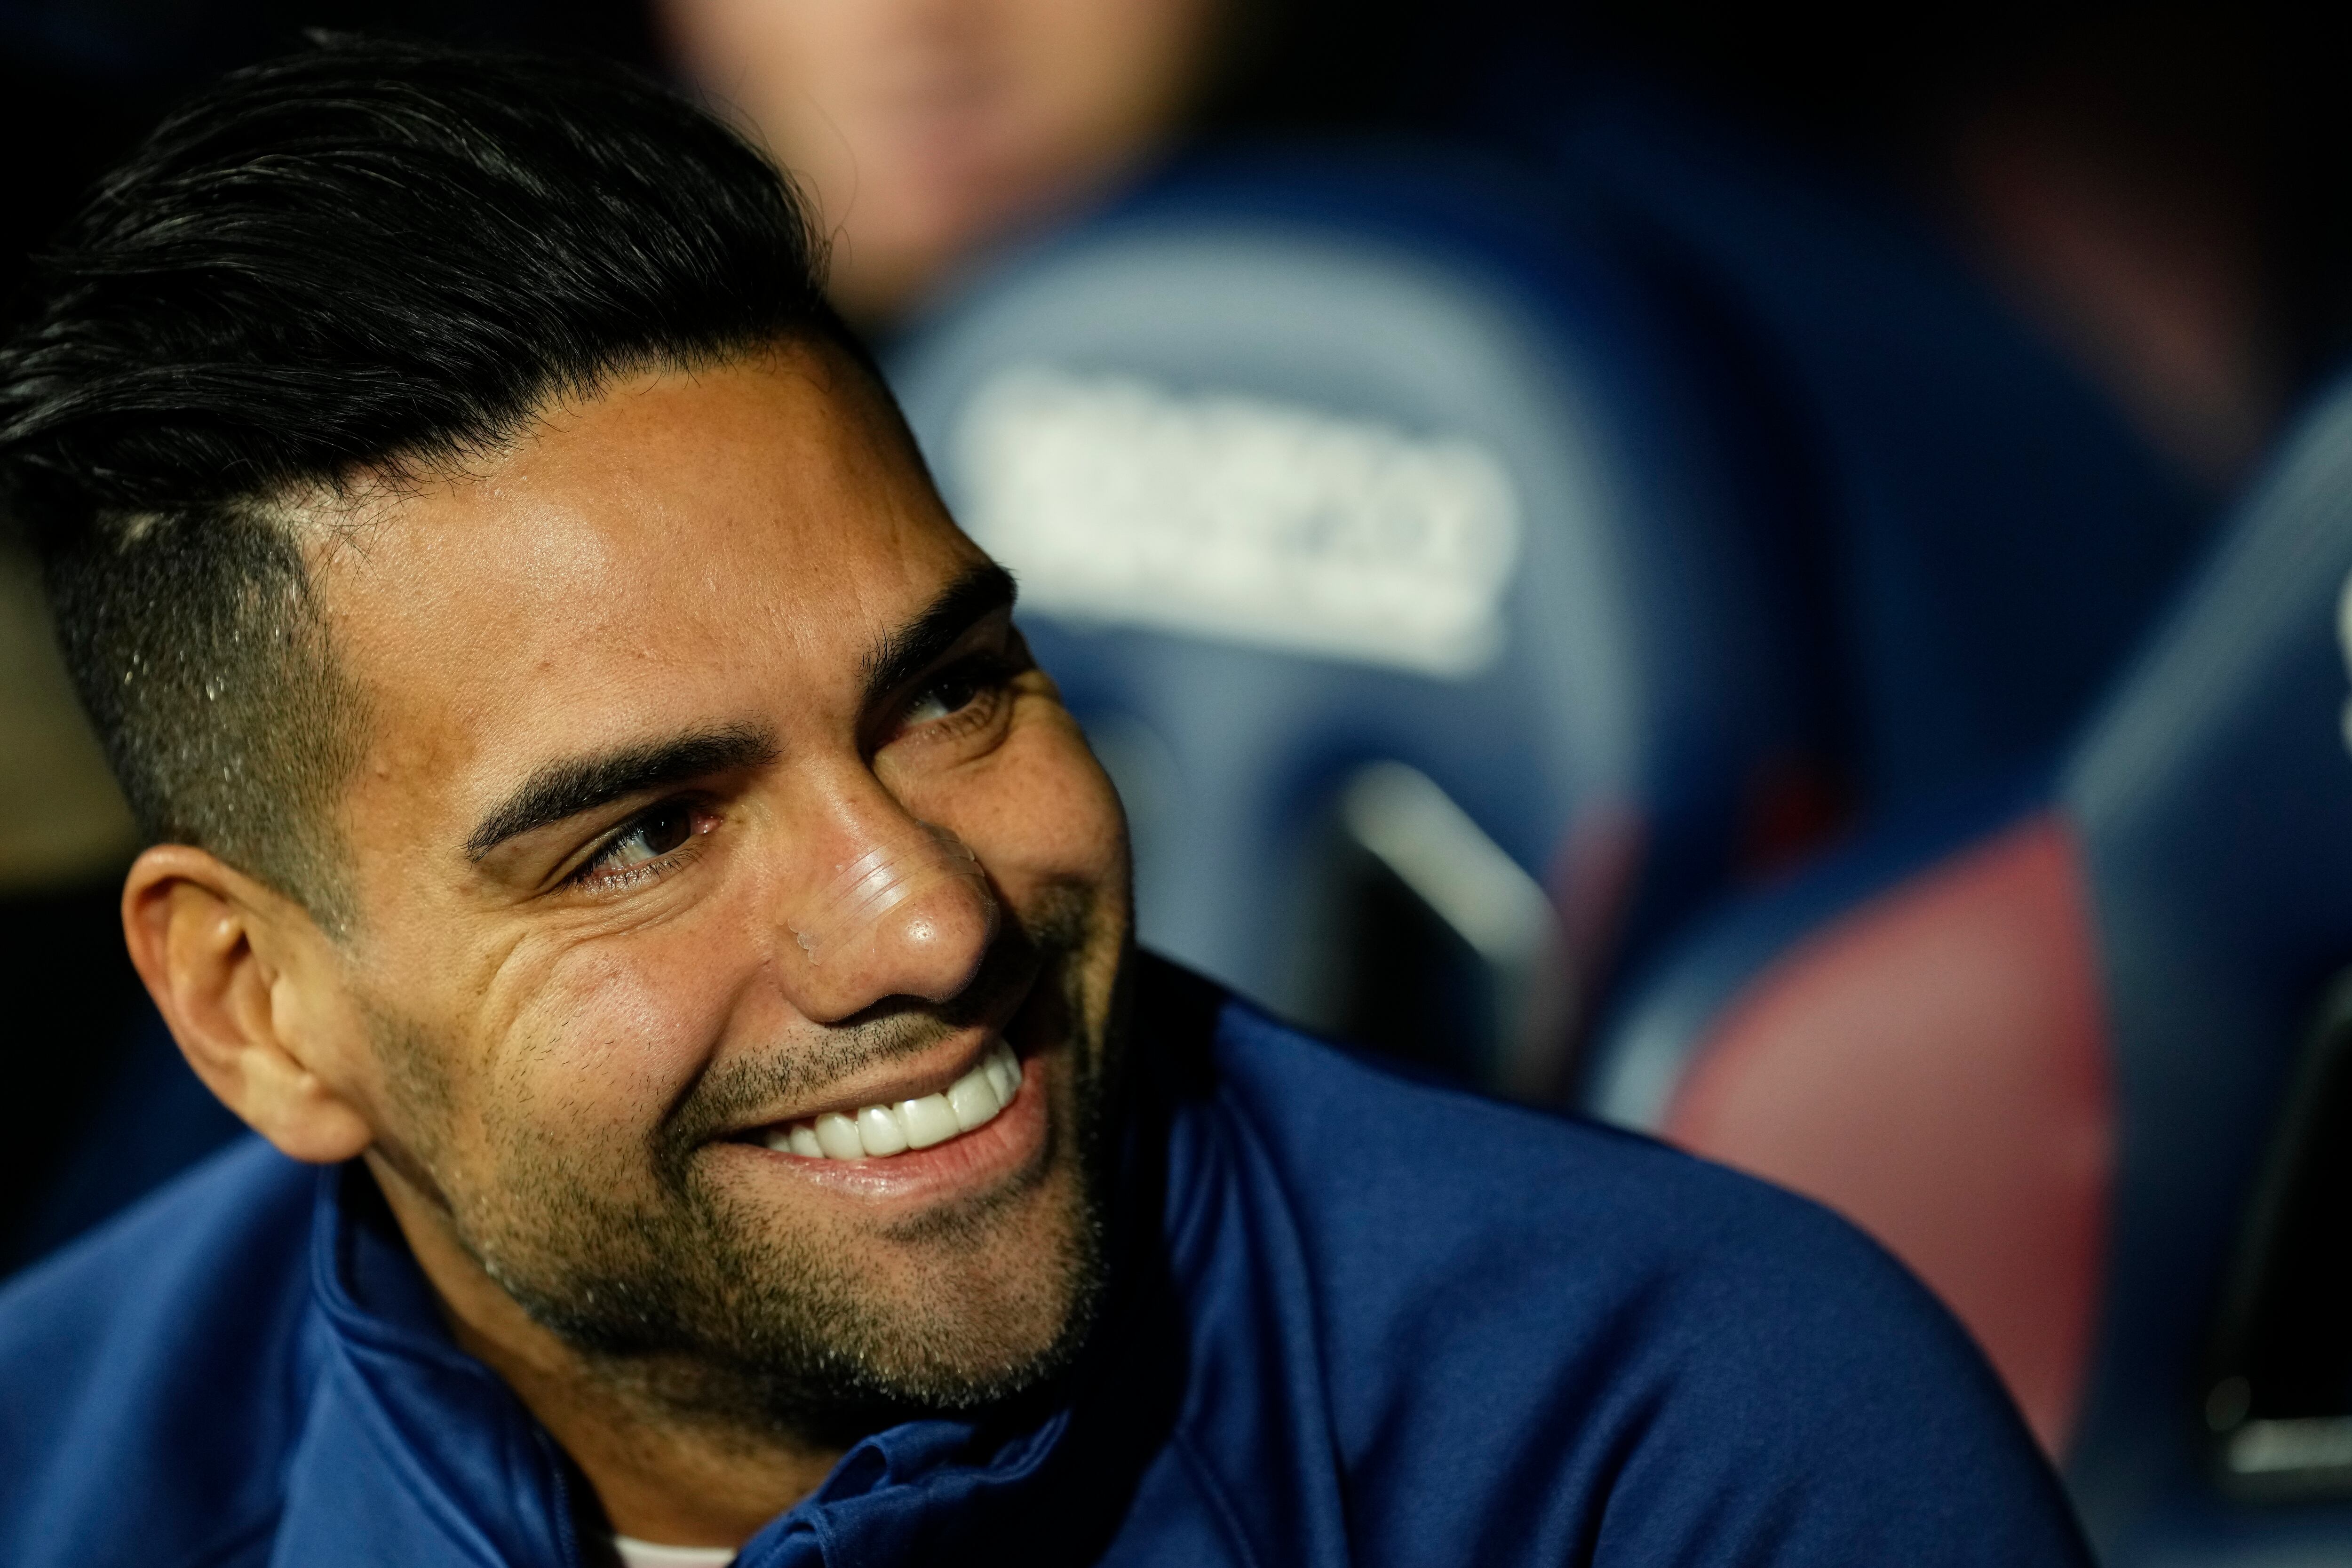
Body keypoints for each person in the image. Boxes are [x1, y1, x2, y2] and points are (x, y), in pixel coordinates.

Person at [0, 39, 2090, 1568]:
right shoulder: (56, 1468)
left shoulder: (1679, 1446)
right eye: (644, 837)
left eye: (950, 696)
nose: (926, 918)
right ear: (255, 1010)